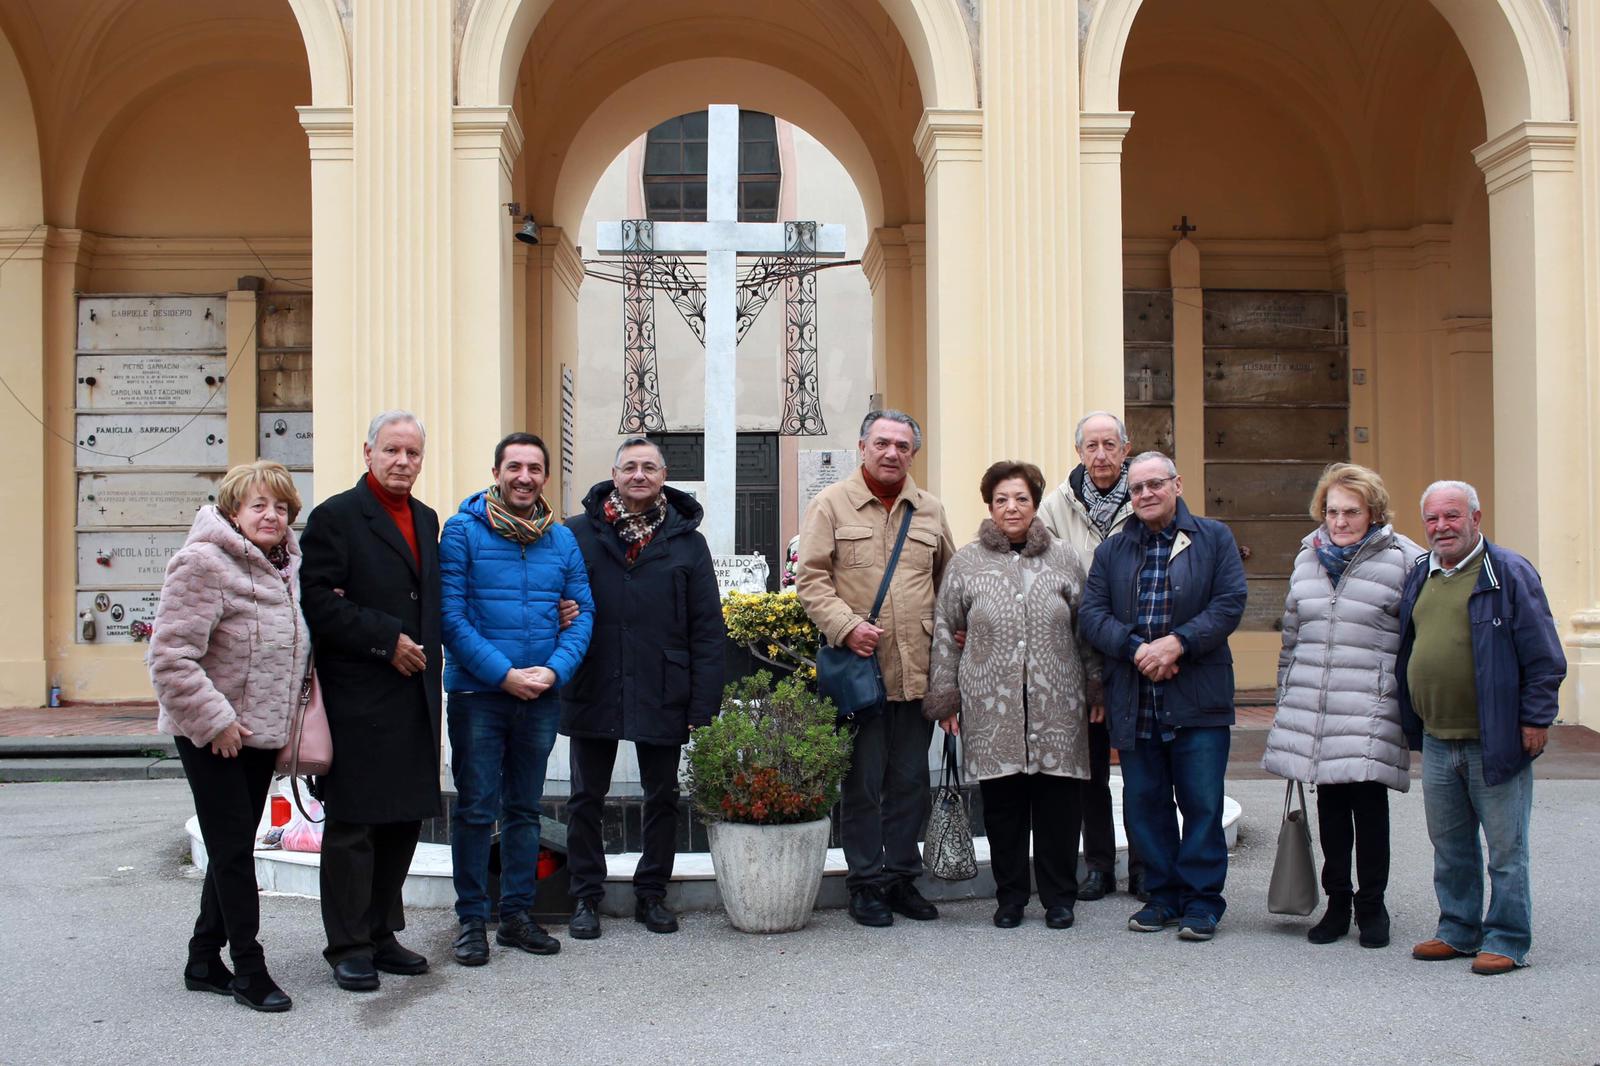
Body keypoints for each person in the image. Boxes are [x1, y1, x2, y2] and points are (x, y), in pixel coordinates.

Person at [149, 460, 308, 1013]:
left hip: (259, 735)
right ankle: (248, 967)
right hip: (212, 734)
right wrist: (214, 722)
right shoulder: (202, 563)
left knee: (230, 846)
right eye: (258, 505)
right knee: (235, 852)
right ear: (232, 511)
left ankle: (201, 957)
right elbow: (170, 657)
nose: (271, 515)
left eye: (281, 506)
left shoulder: (285, 568)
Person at [560, 436, 725, 939]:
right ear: (614, 474)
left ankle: (651, 893)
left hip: (662, 683)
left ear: (663, 476)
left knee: (662, 794)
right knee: (586, 795)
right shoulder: (576, 535)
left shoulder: (687, 542)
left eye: (648, 467)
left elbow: (707, 627)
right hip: (595, 676)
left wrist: (704, 704)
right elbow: (549, 596)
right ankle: (584, 895)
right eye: (629, 467)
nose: (638, 475)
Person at [1398, 480, 1566, 975]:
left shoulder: (1508, 572)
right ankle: (1458, 930)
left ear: (1476, 516)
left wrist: (1536, 717)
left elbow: (1543, 655)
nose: (1441, 527)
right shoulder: (1420, 573)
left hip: (1494, 738)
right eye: (1432, 519)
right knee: (1450, 846)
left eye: (1451, 516)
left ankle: (1508, 938)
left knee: (1506, 848)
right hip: (1436, 736)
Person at [299, 410, 442, 992]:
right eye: (392, 451)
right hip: (359, 697)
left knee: (403, 821)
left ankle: (383, 933)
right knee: (354, 827)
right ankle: (348, 944)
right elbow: (317, 602)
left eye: (411, 453)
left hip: (414, 698)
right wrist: (386, 641)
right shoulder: (336, 517)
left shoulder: (428, 519)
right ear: (368, 453)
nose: (402, 462)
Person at [796, 409, 956, 927]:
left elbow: (949, 582)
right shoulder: (830, 504)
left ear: (914, 453)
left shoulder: (929, 510)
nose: (892, 453)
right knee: (862, 785)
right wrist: (845, 626)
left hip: (917, 674)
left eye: (902, 446)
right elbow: (811, 578)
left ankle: (901, 879)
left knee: (909, 781)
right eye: (882, 442)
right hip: (860, 676)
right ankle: (865, 883)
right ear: (862, 445)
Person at [1078, 450, 1246, 942]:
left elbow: (1230, 602)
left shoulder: (1213, 538)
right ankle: (1163, 897)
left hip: (1198, 695)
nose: (1147, 494)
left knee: (1201, 803)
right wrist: (1136, 649)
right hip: (1135, 698)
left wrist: (1179, 643)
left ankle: (1201, 902)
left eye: (1156, 484)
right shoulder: (1112, 550)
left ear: (1178, 484)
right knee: (1145, 804)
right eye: (1137, 489)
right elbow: (1092, 615)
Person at [440, 432, 594, 965]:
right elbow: (451, 618)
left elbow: (583, 613)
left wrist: (553, 672)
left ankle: (517, 916)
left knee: (525, 809)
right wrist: (504, 675)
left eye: (534, 468)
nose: (524, 477)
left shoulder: (562, 539)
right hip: (478, 694)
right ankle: (470, 921)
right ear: (497, 472)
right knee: (478, 810)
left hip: (540, 694)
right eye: (514, 467)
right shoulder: (462, 531)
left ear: (545, 477)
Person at [927, 461, 1101, 929]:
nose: (1012, 507)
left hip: (1058, 706)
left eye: (1021, 498)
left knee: (1059, 808)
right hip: (991, 706)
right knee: (1003, 809)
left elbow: (1087, 628)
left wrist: (1095, 684)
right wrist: (945, 697)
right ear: (988, 505)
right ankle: (1010, 899)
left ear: (1035, 503)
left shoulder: (1066, 559)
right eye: (1002, 499)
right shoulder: (966, 562)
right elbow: (946, 629)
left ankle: (1059, 898)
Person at [1262, 463, 1424, 948]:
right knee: (1331, 809)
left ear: (1372, 512)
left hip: (1372, 704)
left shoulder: (1405, 560)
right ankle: (1336, 906)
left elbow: (1417, 637)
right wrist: (1285, 694)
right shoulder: (1307, 558)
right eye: (1331, 511)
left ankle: (1372, 908)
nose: (1339, 521)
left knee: (1369, 808)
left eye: (1351, 511)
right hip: (1316, 704)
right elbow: (1293, 637)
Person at [1039, 410, 1144, 902]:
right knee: (1090, 771)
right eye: (1091, 446)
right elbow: (1036, 569)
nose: (1100, 455)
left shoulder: (1147, 491)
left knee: (1144, 769)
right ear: (1078, 452)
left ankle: (1145, 864)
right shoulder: (1056, 505)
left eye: (1110, 445)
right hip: (1078, 654)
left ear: (1125, 448)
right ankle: (1099, 864)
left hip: (1138, 653)